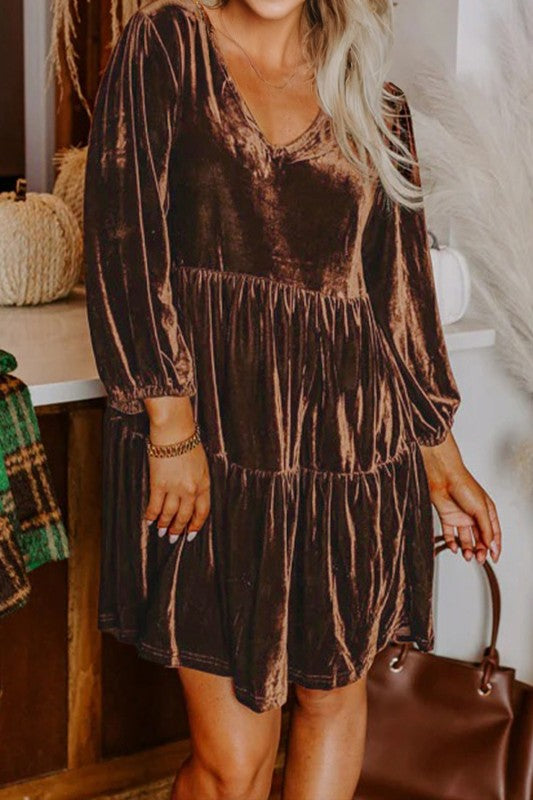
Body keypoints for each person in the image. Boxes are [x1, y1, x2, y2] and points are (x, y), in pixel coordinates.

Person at [83, 0, 503, 798]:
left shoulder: (369, 99)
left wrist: (441, 462)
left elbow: (397, 296)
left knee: (330, 701)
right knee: (232, 762)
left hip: (350, 459)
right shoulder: (166, 46)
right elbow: (123, 245)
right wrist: (170, 431)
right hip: (212, 449)